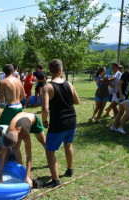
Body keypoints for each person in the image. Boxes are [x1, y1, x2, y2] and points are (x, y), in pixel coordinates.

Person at [42, 59, 80, 188]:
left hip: (59, 123)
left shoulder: (47, 87)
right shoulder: (69, 84)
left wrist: (44, 120)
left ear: (51, 71)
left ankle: (55, 180)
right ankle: (70, 169)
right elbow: (77, 101)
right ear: (60, 70)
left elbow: (45, 108)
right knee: (68, 145)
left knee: (49, 151)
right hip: (72, 120)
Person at [0, 112, 46, 188]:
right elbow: (2, 155)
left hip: (33, 120)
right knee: (15, 148)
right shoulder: (7, 132)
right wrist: (0, 176)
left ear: (17, 140)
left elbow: (29, 157)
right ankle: (21, 170)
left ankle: (49, 155)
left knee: (43, 141)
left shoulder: (25, 134)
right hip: (19, 120)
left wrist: (27, 177)